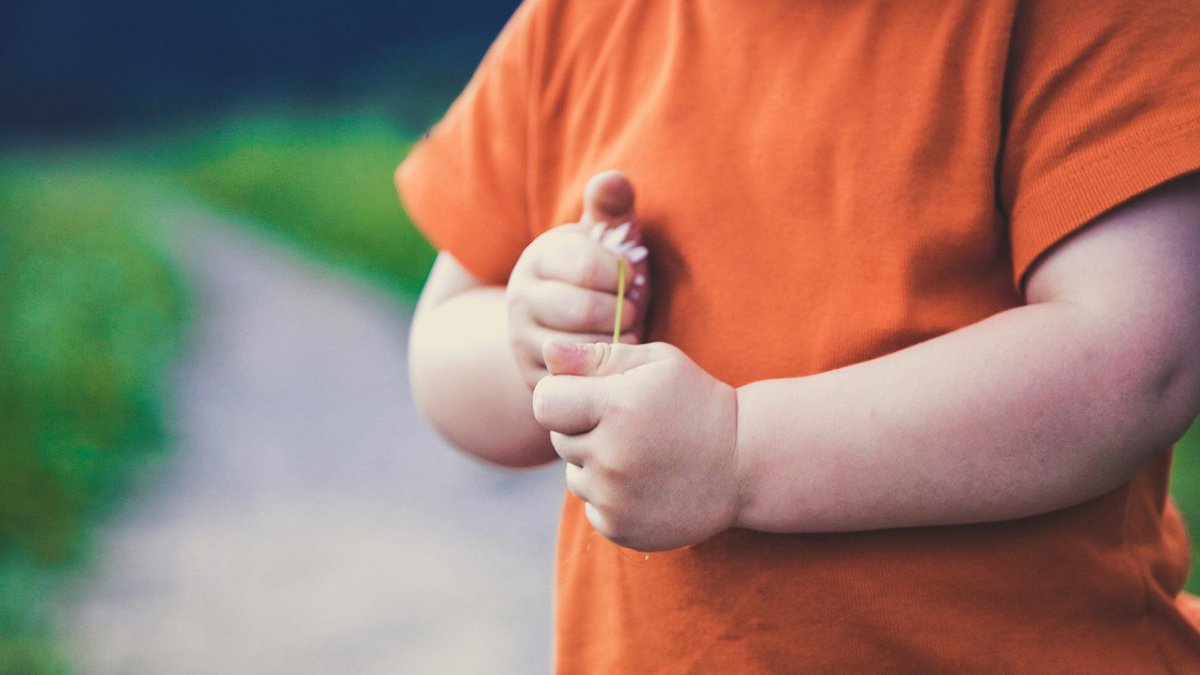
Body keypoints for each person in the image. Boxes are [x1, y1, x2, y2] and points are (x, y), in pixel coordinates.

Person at [397, 0, 1200, 671]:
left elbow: (1135, 360)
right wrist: (532, 341)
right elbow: (441, 343)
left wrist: (740, 455)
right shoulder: (577, 21)